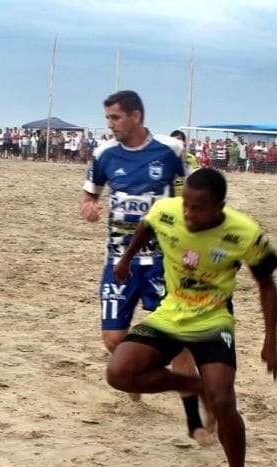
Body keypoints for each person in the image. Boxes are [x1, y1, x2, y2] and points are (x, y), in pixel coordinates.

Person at [107, 167, 277, 467]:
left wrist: (270, 341)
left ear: (219, 206)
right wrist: (126, 259)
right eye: (185, 204)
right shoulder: (167, 210)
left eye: (197, 207)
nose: (188, 213)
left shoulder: (245, 233)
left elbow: (267, 286)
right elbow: (147, 226)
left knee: (224, 400)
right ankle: (194, 386)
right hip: (171, 312)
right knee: (119, 373)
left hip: (213, 319)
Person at [80, 90, 213, 446]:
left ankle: (199, 412)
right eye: (108, 118)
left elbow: (195, 191)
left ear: (136, 116)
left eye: (116, 118)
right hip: (119, 262)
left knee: (179, 345)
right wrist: (89, 207)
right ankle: (139, 376)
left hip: (162, 264)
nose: (110, 124)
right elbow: (90, 193)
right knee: (113, 340)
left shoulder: (170, 151)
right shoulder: (104, 153)